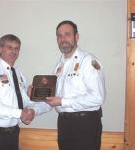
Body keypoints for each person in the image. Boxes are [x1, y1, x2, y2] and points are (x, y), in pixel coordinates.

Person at [0, 34, 51, 150]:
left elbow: (23, 101)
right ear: (0, 49)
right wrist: (20, 114)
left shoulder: (19, 74)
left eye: (16, 48)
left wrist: (33, 107)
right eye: (9, 47)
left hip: (13, 133)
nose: (13, 51)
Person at [45, 20, 106, 150]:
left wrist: (63, 102)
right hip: (64, 123)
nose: (63, 39)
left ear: (76, 37)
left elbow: (98, 98)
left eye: (67, 34)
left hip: (85, 124)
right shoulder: (58, 66)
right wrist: (36, 94)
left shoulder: (88, 61)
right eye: (59, 35)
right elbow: (53, 98)